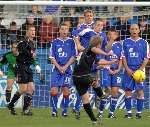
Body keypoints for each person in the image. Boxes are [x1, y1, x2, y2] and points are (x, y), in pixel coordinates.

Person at [72, 35, 117, 123]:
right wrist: (107, 54)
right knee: (95, 81)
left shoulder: (85, 50)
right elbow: (94, 49)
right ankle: (102, 96)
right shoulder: (90, 49)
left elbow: (99, 62)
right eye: (100, 44)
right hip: (83, 76)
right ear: (98, 44)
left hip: (75, 77)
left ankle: (94, 120)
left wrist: (110, 62)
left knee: (85, 99)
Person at [7, 25, 41, 115]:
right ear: (27, 32)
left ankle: (25, 110)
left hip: (28, 67)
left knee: (31, 89)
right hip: (21, 67)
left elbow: (33, 55)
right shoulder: (23, 42)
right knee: (23, 89)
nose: (33, 32)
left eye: (34, 30)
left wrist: (36, 64)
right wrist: (32, 55)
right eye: (31, 30)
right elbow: (24, 52)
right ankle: (11, 105)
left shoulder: (32, 43)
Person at [122, 24, 149, 119]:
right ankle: (129, 113)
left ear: (139, 30)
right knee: (128, 91)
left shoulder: (144, 42)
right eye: (132, 29)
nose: (134, 30)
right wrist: (127, 69)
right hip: (128, 70)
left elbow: (146, 58)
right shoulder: (125, 42)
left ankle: (138, 113)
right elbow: (123, 57)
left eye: (136, 29)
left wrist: (141, 69)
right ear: (129, 30)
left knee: (140, 91)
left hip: (140, 70)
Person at [49, 23, 76, 117]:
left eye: (66, 29)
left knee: (66, 90)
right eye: (62, 29)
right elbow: (51, 57)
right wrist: (59, 67)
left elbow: (73, 56)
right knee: (53, 91)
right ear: (59, 30)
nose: (64, 31)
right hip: (56, 69)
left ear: (68, 31)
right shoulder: (54, 42)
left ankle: (64, 111)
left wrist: (65, 66)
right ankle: (54, 111)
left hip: (67, 69)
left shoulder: (72, 42)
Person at [98, 29, 122, 119]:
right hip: (106, 70)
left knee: (115, 92)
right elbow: (105, 52)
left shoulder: (120, 45)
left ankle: (111, 113)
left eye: (113, 34)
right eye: (110, 34)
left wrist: (118, 69)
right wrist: (108, 67)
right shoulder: (104, 44)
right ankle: (100, 112)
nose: (111, 36)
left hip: (115, 71)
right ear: (107, 35)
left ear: (117, 36)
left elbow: (121, 59)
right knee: (107, 90)